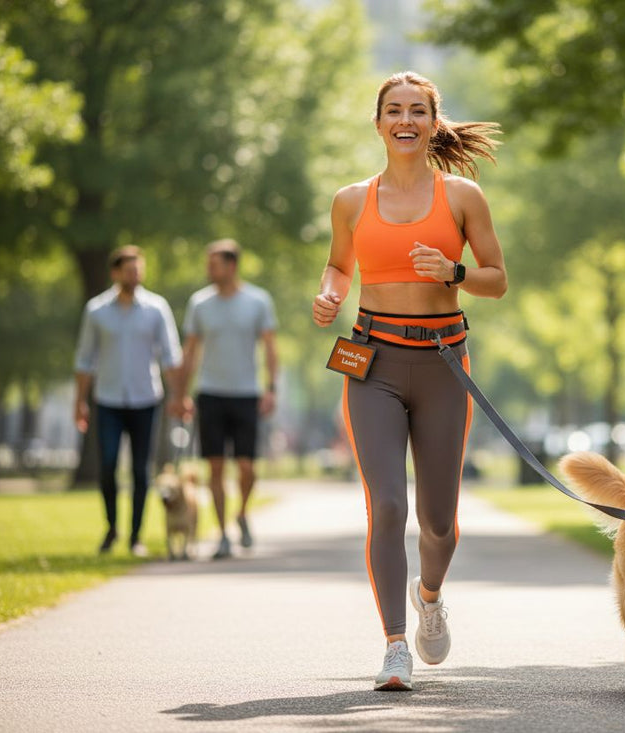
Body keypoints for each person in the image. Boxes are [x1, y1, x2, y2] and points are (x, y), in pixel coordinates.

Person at [312, 71, 507, 692]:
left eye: (416, 110)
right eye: (393, 110)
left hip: (444, 364)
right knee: (387, 505)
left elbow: (496, 277)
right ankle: (395, 646)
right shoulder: (350, 200)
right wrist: (328, 294)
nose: (404, 120)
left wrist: (454, 271)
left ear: (431, 122)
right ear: (378, 124)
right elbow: (340, 266)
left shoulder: (461, 198)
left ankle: (430, 595)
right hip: (371, 363)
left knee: (439, 521)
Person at [74, 245, 182, 557]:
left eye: (139, 270)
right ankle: (111, 528)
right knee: (108, 466)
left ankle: (136, 536)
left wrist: (178, 396)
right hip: (107, 399)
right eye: (129, 270)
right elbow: (84, 359)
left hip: (146, 399)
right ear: (115, 273)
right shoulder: (96, 311)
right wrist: (79, 402)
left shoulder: (156, 308)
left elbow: (171, 356)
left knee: (140, 470)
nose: (135, 276)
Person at [174, 239, 278, 560]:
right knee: (215, 468)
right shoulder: (200, 304)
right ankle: (221, 535)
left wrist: (271, 388)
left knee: (247, 468)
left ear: (231, 266)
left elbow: (270, 348)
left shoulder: (258, 301)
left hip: (247, 394)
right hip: (210, 395)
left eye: (214, 264)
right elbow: (189, 352)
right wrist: (181, 394)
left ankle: (242, 513)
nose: (209, 270)